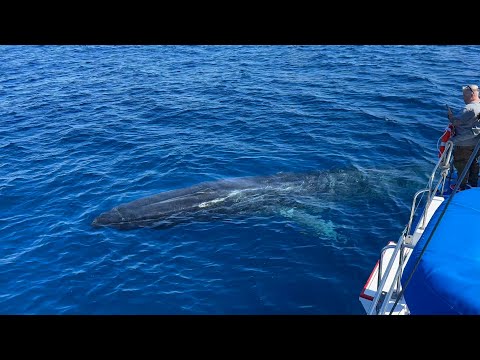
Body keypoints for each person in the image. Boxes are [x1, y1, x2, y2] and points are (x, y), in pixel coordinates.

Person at [448, 84, 480, 190]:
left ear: (471, 95)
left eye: (464, 96)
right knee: (473, 163)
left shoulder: (469, 108)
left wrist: (450, 116)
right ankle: (472, 183)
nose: (463, 98)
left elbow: (456, 122)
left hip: (464, 144)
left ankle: (461, 186)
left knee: (461, 164)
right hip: (476, 145)